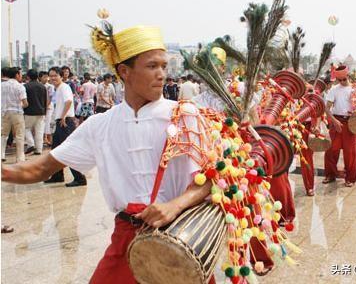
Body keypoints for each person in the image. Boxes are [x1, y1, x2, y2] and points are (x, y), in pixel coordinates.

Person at [1, 25, 213, 283]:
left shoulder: (185, 115)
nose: (161, 75)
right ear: (124, 71)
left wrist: (174, 206)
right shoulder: (99, 125)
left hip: (182, 238)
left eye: (164, 66)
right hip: (126, 238)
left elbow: (216, 179)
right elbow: (40, 168)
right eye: (152, 66)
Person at [44, 67, 87, 187]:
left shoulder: (64, 87)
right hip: (60, 122)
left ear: (61, 76)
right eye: (51, 76)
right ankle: (57, 176)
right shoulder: (57, 89)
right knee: (56, 151)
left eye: (55, 76)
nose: (53, 78)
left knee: (68, 151)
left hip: (65, 122)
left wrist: (63, 116)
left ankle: (80, 178)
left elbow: (69, 101)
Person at [323, 65, 356, 187]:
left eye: (344, 79)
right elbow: (326, 108)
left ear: (348, 76)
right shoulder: (334, 89)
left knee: (351, 152)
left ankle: (350, 178)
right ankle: (330, 174)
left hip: (350, 122)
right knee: (331, 149)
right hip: (336, 120)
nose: (342, 82)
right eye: (340, 80)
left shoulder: (355, 89)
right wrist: (333, 121)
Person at [1, 67, 28, 163]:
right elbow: (25, 103)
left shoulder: (2, 85)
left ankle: (1, 155)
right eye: (20, 74)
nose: (21, 76)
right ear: (16, 75)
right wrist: (19, 105)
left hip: (4, 113)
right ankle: (20, 157)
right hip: (17, 112)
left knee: (3, 135)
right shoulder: (20, 86)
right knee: (19, 135)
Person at [24, 69, 48, 155]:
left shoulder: (26, 86)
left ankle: (31, 144)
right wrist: (45, 111)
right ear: (38, 76)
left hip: (29, 112)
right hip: (41, 111)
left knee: (25, 128)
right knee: (39, 131)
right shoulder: (43, 87)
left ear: (28, 76)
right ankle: (39, 150)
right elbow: (46, 100)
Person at [39, 71, 55, 147]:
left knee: (48, 122)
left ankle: (47, 138)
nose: (46, 78)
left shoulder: (50, 86)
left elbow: (51, 97)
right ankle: (43, 138)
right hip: (40, 107)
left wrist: (47, 105)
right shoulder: (39, 86)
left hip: (48, 107)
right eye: (44, 77)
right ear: (40, 77)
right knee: (42, 123)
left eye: (46, 77)